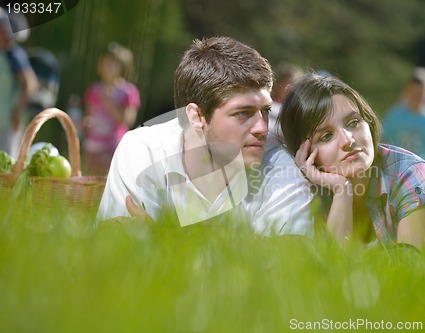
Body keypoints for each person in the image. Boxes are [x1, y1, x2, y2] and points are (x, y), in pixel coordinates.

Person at [97, 36, 315, 237]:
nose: (261, 128)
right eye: (242, 113)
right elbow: (120, 248)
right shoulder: (142, 149)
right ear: (196, 116)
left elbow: (290, 259)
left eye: (265, 111)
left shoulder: (279, 166)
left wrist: (161, 235)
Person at [277, 73, 425, 262]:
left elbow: (415, 278)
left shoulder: (409, 173)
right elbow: (333, 275)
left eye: (353, 122)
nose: (347, 140)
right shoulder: (305, 193)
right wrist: (342, 191)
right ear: (305, 154)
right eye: (326, 136)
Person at [382, 67, 425, 183]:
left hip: (423, 175)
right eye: (415, 92)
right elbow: (384, 140)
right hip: (397, 173)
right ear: (407, 91)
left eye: (421, 93)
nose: (417, 96)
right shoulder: (395, 115)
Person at [83, 41, 140, 176]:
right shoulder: (94, 90)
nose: (107, 67)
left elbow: (126, 121)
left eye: (112, 64)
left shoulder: (128, 92)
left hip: (114, 146)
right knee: (92, 179)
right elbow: (89, 115)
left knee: (109, 180)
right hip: (94, 144)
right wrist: (86, 122)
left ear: (122, 67)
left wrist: (108, 101)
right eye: (105, 62)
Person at [0, 8, 39, 158]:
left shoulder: (14, 56)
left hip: (7, 124)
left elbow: (31, 83)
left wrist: (18, 110)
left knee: (7, 162)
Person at [267, 62, 303, 144]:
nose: (289, 87)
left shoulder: (296, 110)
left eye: (293, 84)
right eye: (287, 83)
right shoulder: (266, 102)